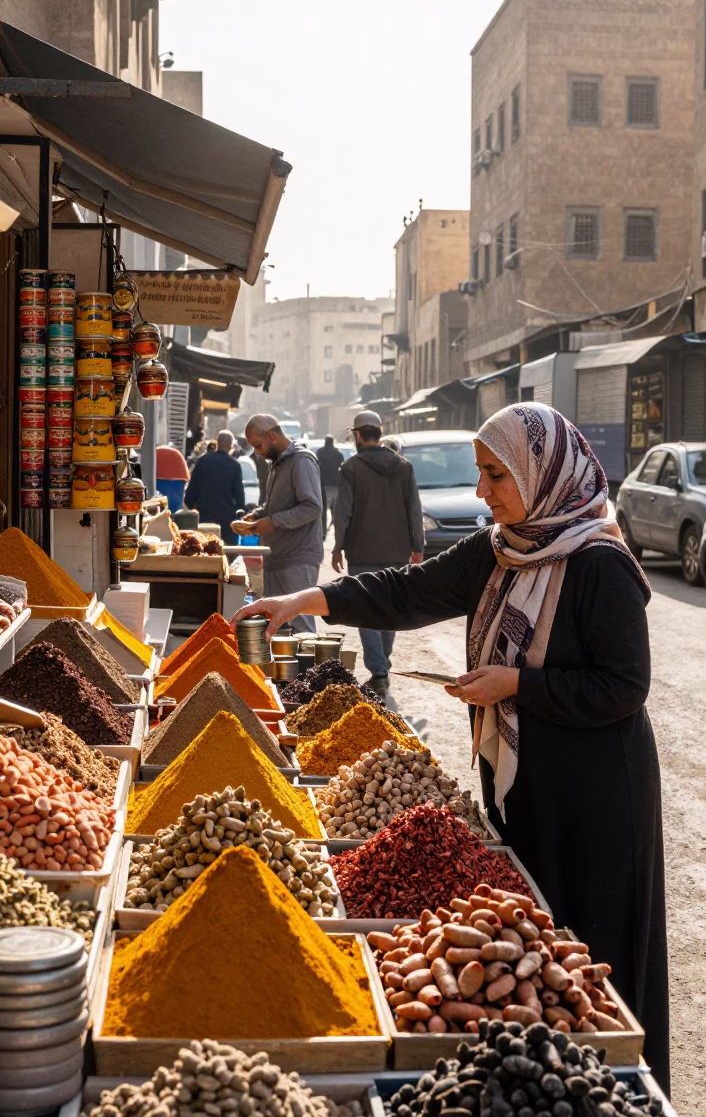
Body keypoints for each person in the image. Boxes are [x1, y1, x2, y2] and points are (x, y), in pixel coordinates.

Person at [232, 403, 669, 1091]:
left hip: (596, 794)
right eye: (480, 474)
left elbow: (622, 686)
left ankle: (608, 1091)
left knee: (593, 954)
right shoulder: (500, 547)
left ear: (543, 473)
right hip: (525, 778)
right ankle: (537, 1084)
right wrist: (309, 599)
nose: (481, 492)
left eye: (496, 475)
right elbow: (407, 591)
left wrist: (516, 685)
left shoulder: (599, 562)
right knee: (527, 942)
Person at [332, 410, 424, 693]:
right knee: (389, 607)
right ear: (379, 434)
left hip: (361, 552)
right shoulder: (404, 466)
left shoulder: (350, 469)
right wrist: (417, 547)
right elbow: (414, 510)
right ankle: (382, 662)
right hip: (397, 551)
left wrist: (337, 548)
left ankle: (379, 672)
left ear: (358, 435)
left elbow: (343, 513)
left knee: (365, 610)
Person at [242, 413, 323, 632]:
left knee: (301, 627)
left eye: (258, 446)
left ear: (272, 436)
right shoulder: (278, 463)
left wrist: (273, 521)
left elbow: (312, 507)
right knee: (279, 627)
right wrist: (259, 515)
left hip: (297, 558)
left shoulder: (302, 461)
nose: (258, 453)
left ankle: (310, 668)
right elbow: (278, 505)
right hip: (278, 557)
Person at [184, 428, 245, 545]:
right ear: (231, 446)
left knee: (205, 550)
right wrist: (240, 513)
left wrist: (190, 504)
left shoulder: (202, 461)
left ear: (217, 443)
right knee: (226, 553)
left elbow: (192, 490)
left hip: (205, 517)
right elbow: (239, 493)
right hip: (227, 520)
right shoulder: (234, 465)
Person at [316, 434, 345, 537]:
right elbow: (342, 467)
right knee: (336, 509)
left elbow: (316, 466)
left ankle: (322, 531)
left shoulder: (320, 452)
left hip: (323, 484)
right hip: (335, 484)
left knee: (323, 509)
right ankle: (337, 532)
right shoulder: (338, 453)